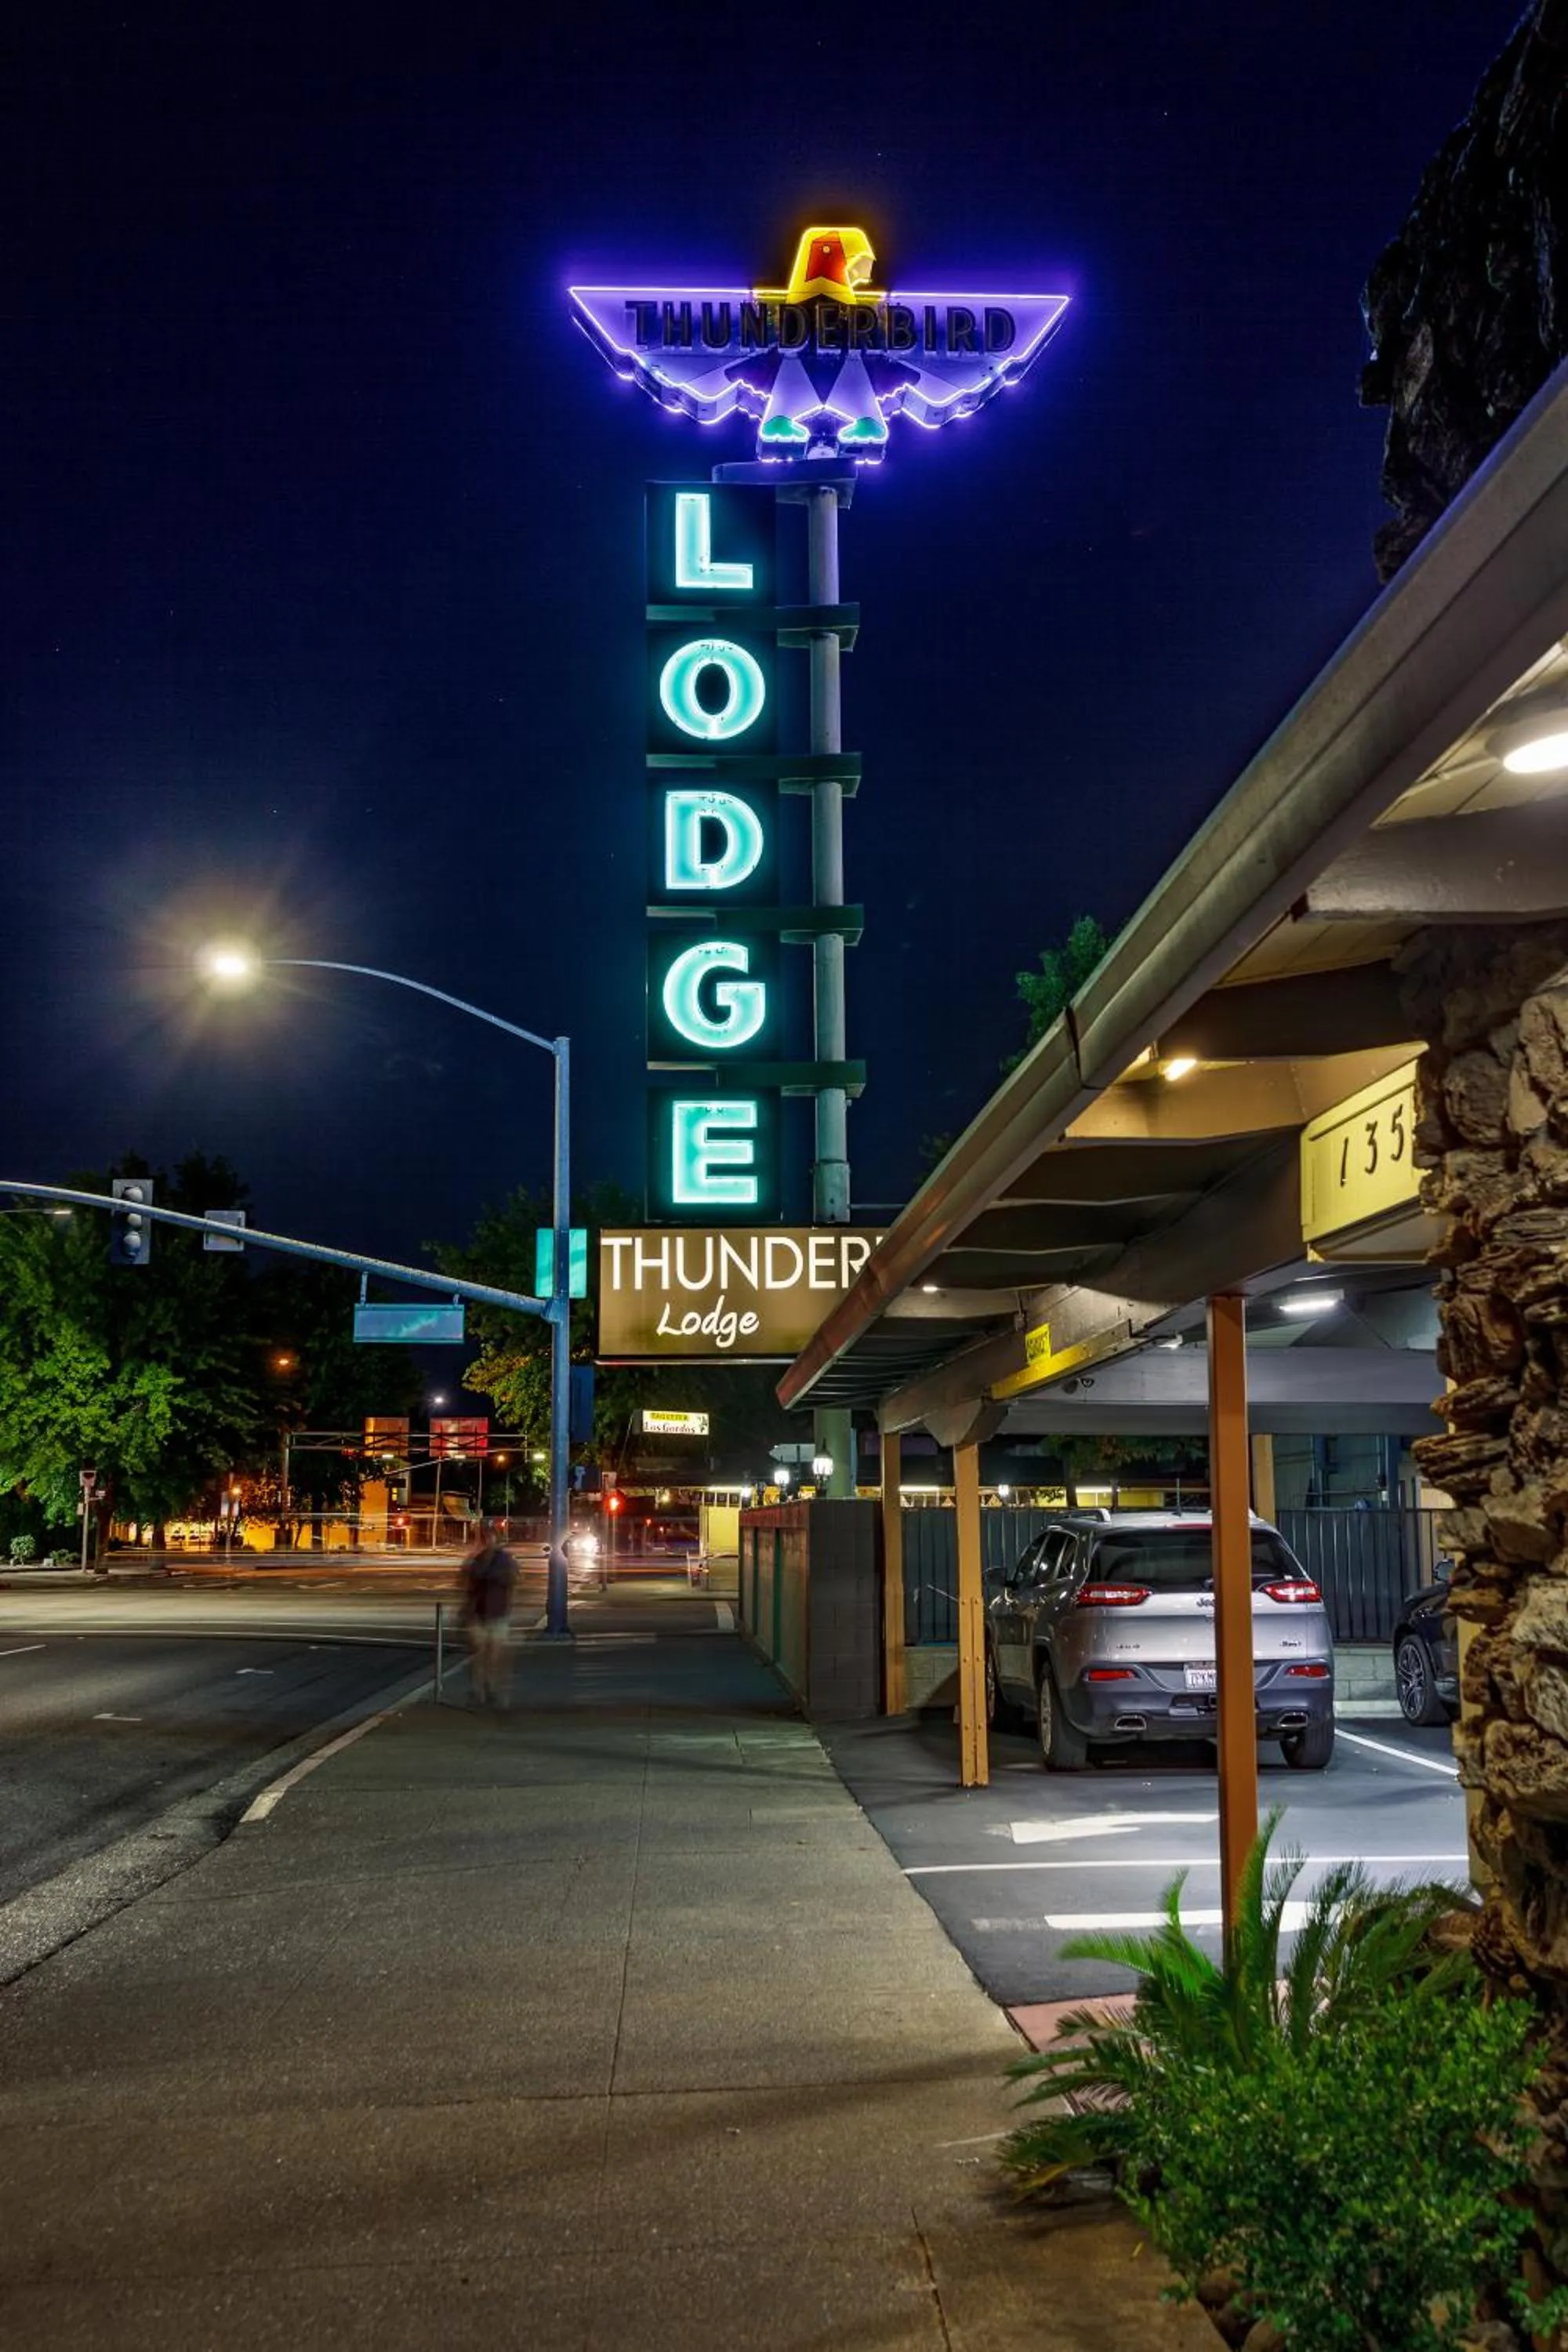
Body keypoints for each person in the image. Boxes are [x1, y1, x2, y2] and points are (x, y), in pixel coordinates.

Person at [459, 1517, 517, 1708]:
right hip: (480, 1613)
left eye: (490, 1536)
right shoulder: (477, 1560)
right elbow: (465, 1583)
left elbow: (512, 1580)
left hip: (497, 1612)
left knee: (493, 1655)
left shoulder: (504, 1560)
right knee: (480, 1653)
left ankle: (490, 1687)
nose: (487, 1540)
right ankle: (480, 1690)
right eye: (484, 1537)